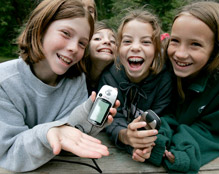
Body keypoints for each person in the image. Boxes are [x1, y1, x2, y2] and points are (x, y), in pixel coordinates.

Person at [0, 0, 119, 172]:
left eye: (82, 43)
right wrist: (49, 133)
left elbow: (71, 136)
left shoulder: (76, 81)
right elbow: (9, 153)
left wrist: (87, 116)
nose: (73, 48)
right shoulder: (4, 82)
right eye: (65, 33)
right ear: (41, 29)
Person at [147, 1, 219, 173]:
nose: (180, 53)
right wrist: (153, 139)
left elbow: (211, 131)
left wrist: (184, 153)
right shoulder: (160, 68)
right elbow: (162, 111)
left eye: (195, 44)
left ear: (215, 50)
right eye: (175, 41)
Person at [98, 9, 173, 162]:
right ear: (118, 49)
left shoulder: (164, 80)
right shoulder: (109, 78)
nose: (135, 47)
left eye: (146, 42)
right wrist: (125, 136)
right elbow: (110, 119)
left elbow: (164, 119)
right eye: (127, 41)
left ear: (156, 49)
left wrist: (146, 145)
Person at [84, 20, 117, 94]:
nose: (107, 41)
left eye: (112, 41)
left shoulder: (119, 82)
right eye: (97, 38)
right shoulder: (74, 78)